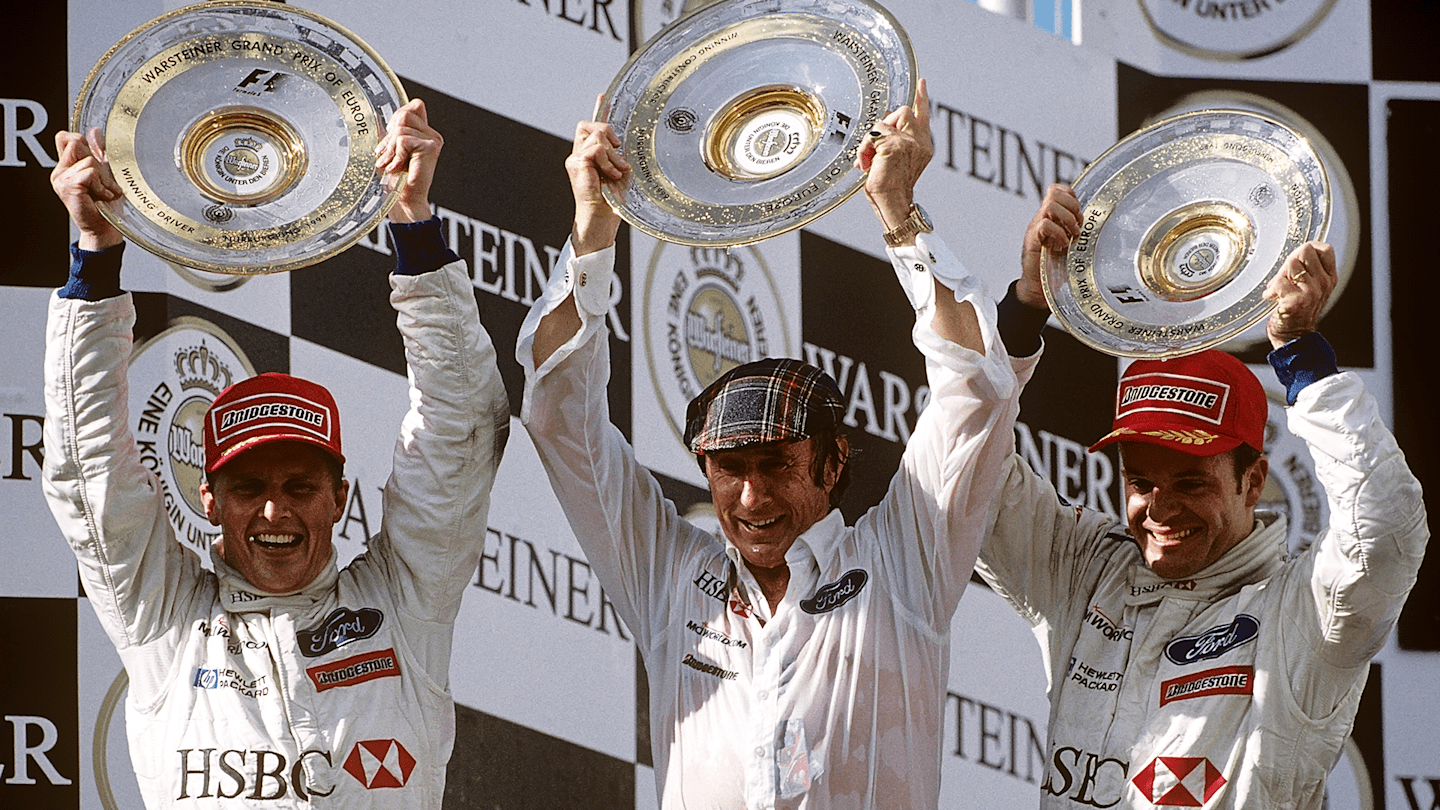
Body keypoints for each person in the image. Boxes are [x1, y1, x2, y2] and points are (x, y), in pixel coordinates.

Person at [518, 79, 1022, 808]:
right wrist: (593, 232)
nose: (751, 498)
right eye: (729, 470)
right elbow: (559, 414)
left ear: (834, 461)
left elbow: (976, 386)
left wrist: (900, 214)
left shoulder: (904, 556)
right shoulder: (670, 575)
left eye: (777, 466)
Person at [42, 99, 509, 808]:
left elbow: (462, 428)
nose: (273, 510)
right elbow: (88, 469)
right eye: (248, 485)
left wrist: (413, 221)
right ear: (209, 500)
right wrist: (95, 255)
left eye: (300, 485)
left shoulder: (403, 605)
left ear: (340, 498)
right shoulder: (165, 621)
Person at [976, 184, 1429, 808]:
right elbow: (962, 475)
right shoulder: (1087, 572)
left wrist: (1301, 356)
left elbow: (1387, 532)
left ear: (1252, 480)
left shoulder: (1300, 616)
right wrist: (1025, 307)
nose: (1160, 508)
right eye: (1141, 482)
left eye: (1191, 481)